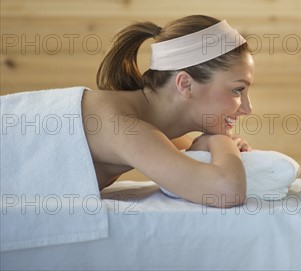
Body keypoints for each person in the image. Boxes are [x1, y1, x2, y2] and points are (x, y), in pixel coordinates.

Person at [2, 15, 254, 208]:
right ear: (185, 84)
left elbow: (193, 166)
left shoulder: (159, 133)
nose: (247, 108)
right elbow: (226, 190)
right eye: (237, 90)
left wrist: (210, 145)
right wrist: (221, 141)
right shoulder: (123, 125)